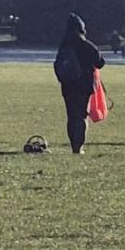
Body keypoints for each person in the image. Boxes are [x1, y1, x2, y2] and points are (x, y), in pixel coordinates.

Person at [52, 13, 106, 155]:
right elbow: (100, 62)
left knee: (71, 115)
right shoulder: (85, 45)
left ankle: (73, 144)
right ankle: (78, 147)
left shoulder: (64, 45)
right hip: (84, 85)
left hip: (68, 85)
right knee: (81, 115)